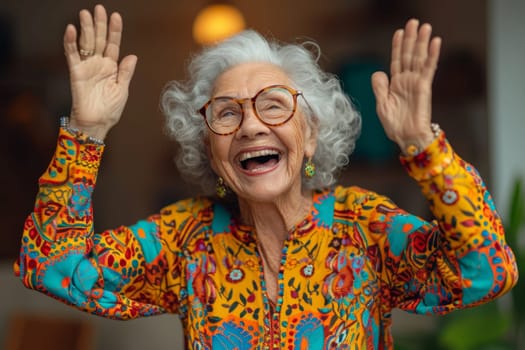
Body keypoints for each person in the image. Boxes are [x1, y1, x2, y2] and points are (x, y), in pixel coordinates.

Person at [14, 4, 518, 350]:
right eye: (227, 113)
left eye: (274, 106)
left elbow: (487, 271)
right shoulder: (183, 240)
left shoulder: (364, 227)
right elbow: (51, 265)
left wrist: (421, 146)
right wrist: (87, 130)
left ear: (311, 135)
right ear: (210, 151)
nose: (252, 124)